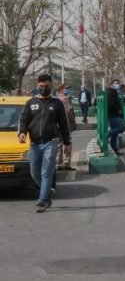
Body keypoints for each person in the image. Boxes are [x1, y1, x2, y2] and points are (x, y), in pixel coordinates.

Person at [17, 74, 72, 213]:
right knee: (34, 173)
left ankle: (42, 200)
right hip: (34, 144)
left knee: (46, 172)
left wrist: (67, 143)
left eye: (46, 86)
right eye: (41, 86)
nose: (44, 88)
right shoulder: (31, 103)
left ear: (51, 85)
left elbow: (64, 124)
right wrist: (22, 132)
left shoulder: (57, 103)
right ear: (37, 85)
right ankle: (48, 191)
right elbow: (23, 120)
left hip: (51, 143)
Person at [55, 84, 77, 171]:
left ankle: (58, 163)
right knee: (67, 143)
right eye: (67, 88)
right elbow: (69, 112)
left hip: (57, 125)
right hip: (65, 125)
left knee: (59, 144)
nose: (69, 90)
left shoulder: (56, 99)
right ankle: (66, 163)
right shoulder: (65, 99)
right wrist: (73, 123)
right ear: (61, 90)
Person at [107, 79, 125, 155]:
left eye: (118, 83)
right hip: (113, 115)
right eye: (116, 83)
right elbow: (111, 104)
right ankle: (106, 135)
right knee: (122, 128)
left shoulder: (115, 93)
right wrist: (118, 110)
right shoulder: (110, 93)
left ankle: (115, 149)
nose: (117, 85)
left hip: (115, 115)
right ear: (111, 84)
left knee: (114, 135)